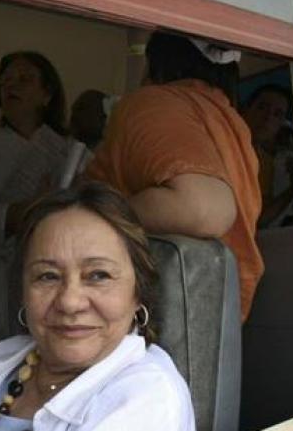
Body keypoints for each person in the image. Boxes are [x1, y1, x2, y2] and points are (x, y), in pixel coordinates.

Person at [0, 182, 194, 431]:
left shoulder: (147, 397)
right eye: (48, 276)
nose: (69, 302)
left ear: (138, 293)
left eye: (98, 275)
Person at [86, 31, 264, 320]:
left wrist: (91, 213)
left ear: (156, 61)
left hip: (148, 322)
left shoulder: (157, 103)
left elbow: (202, 209)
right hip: (213, 320)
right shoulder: (228, 120)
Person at [0, 51, 78, 254]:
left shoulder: (70, 150)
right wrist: (24, 212)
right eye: (5, 80)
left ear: (47, 94)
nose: (11, 85)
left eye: (25, 79)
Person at [240, 84, 293, 228]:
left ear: (281, 123)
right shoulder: (228, 147)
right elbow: (256, 220)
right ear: (245, 110)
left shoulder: (266, 160)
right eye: (262, 107)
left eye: (277, 114)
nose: (268, 117)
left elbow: (261, 217)